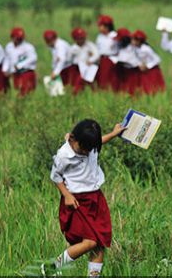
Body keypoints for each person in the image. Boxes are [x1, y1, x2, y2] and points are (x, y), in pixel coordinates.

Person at [41, 119, 126, 278]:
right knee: (90, 242)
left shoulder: (90, 145)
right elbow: (55, 176)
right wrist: (66, 195)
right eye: (83, 149)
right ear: (73, 139)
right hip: (78, 201)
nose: (86, 153)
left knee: (99, 244)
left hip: (96, 199)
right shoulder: (64, 155)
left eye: (90, 149)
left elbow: (100, 141)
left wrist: (114, 134)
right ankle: (52, 267)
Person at [2, 27, 37, 96]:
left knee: (26, 92)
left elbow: (33, 58)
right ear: (12, 37)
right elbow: (7, 58)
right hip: (15, 73)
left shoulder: (28, 47)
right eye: (17, 38)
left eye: (20, 38)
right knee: (17, 90)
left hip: (26, 72)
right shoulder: (9, 46)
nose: (19, 40)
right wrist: (5, 69)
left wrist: (20, 65)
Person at [132, 30, 165, 94]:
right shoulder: (135, 48)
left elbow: (157, 59)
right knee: (144, 87)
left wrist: (148, 66)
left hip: (151, 71)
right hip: (143, 70)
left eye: (134, 39)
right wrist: (140, 65)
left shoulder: (146, 49)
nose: (132, 41)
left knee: (152, 87)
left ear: (139, 41)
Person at [110, 28, 141, 95]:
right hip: (124, 69)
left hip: (132, 71)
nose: (119, 41)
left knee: (132, 88)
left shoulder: (132, 47)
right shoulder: (121, 46)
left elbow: (133, 60)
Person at [70, 27, 100, 94]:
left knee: (90, 81)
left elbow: (96, 54)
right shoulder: (73, 48)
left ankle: (95, 94)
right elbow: (69, 59)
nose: (82, 40)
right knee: (78, 83)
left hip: (89, 67)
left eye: (83, 38)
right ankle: (76, 94)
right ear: (75, 39)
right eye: (79, 38)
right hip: (77, 68)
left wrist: (91, 60)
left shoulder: (89, 45)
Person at [95, 15, 118, 91]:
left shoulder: (114, 36)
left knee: (112, 78)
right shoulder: (99, 37)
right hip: (102, 59)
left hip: (112, 59)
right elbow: (97, 49)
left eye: (101, 26)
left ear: (107, 26)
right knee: (102, 78)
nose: (99, 28)